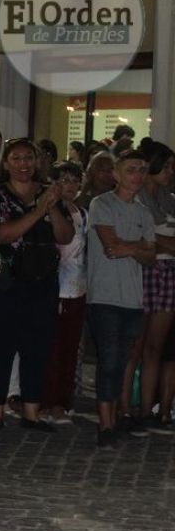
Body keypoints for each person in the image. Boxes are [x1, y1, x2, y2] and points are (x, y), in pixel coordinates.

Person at [0, 139, 73, 431]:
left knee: (38, 347)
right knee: (1, 347)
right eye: (17, 158)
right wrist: (37, 211)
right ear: (6, 163)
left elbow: (65, 235)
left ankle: (32, 412)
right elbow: (0, 235)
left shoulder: (49, 194)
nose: (24, 164)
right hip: (8, 283)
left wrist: (52, 207)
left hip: (43, 281)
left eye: (29, 158)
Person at [87, 151, 157, 447]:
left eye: (142, 169)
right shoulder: (101, 204)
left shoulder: (144, 212)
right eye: (131, 169)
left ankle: (114, 415)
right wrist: (138, 247)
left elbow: (151, 256)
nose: (138, 175)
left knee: (124, 359)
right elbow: (110, 246)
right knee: (110, 359)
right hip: (104, 295)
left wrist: (136, 249)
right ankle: (105, 422)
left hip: (132, 298)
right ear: (116, 174)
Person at [119, 140, 175, 433]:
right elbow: (143, 239)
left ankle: (146, 410)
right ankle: (125, 409)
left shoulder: (169, 200)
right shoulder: (136, 200)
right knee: (135, 346)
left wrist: (159, 243)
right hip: (142, 271)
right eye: (165, 166)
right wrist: (160, 243)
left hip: (167, 272)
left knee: (155, 346)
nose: (170, 172)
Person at [40, 162, 88, 424]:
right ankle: (48, 401)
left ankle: (63, 400)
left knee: (70, 348)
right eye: (65, 180)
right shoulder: (52, 211)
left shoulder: (81, 212)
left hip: (77, 288)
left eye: (75, 180)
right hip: (58, 286)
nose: (70, 186)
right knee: (54, 348)